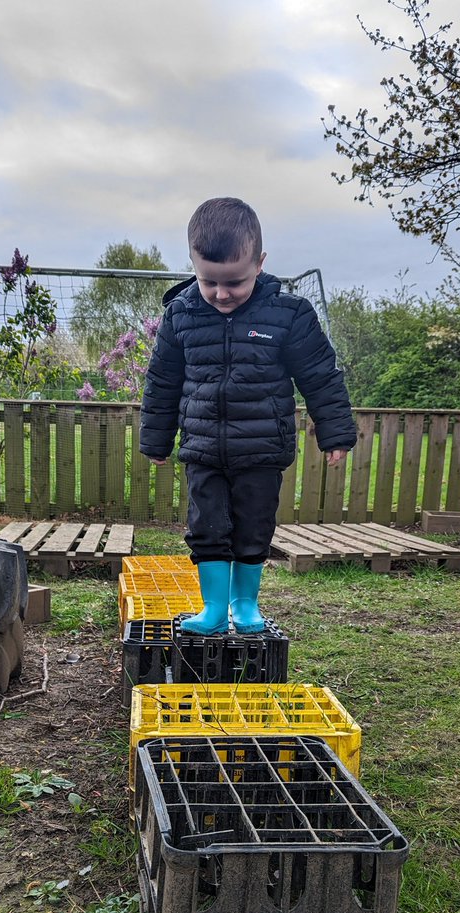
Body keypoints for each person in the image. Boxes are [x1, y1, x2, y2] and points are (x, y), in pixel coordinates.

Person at [139, 196, 357, 635]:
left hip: (261, 450)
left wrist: (334, 432)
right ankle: (214, 609)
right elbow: (162, 381)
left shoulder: (289, 315)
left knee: (253, 528)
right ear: (194, 266)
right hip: (203, 449)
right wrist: (156, 439)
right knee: (207, 528)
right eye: (209, 282)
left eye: (234, 282)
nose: (221, 294)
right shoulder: (180, 314)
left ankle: (245, 604)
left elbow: (319, 374)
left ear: (259, 263)